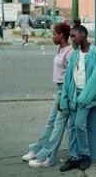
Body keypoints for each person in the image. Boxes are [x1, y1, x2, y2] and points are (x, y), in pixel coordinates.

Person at [22, 23, 73, 167]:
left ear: (62, 35)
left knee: (58, 126)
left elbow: (71, 77)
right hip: (59, 90)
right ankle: (37, 149)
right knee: (51, 123)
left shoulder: (69, 52)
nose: (52, 37)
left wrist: (64, 96)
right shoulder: (61, 49)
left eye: (54, 34)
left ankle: (47, 157)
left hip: (64, 91)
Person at [59, 22, 96, 172]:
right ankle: (74, 158)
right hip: (74, 95)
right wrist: (64, 98)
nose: (72, 39)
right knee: (72, 126)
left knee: (80, 124)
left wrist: (84, 97)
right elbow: (68, 78)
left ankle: (85, 156)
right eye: (71, 37)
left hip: (87, 95)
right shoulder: (74, 54)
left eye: (74, 36)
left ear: (83, 35)